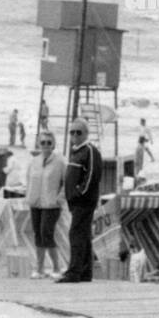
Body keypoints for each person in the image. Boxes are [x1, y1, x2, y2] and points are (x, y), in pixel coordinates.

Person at [56, 117, 102, 282]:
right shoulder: (76, 151)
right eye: (72, 132)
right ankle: (85, 272)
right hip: (76, 202)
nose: (75, 135)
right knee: (83, 235)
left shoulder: (89, 150)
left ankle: (74, 272)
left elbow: (92, 176)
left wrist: (78, 192)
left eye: (78, 132)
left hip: (84, 201)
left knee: (76, 233)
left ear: (86, 133)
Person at [25, 130, 65, 278]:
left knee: (46, 233)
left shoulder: (60, 161)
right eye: (43, 142)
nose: (46, 145)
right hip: (35, 203)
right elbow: (28, 180)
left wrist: (59, 199)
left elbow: (67, 183)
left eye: (49, 142)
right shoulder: (33, 162)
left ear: (53, 144)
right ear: (38, 144)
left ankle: (56, 268)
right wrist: (28, 197)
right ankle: (39, 268)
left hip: (52, 205)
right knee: (38, 235)